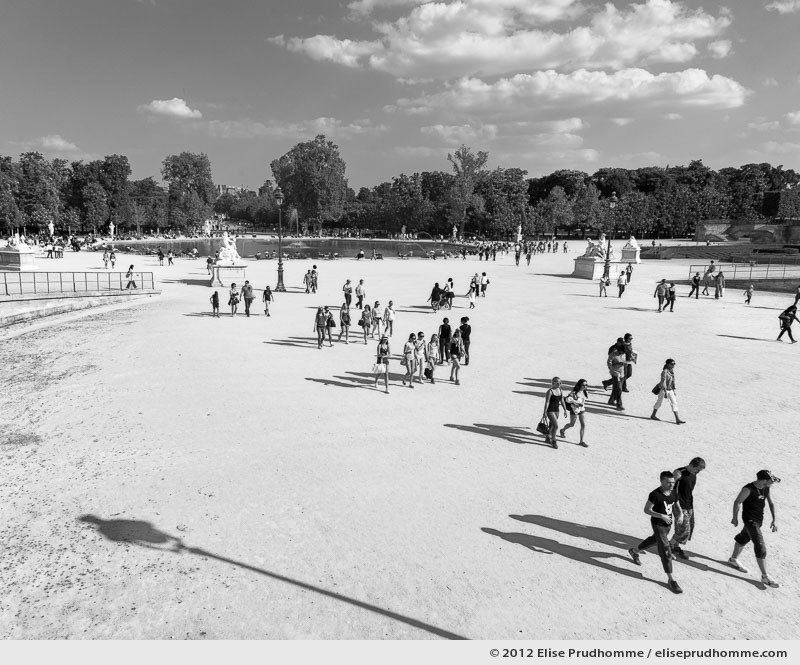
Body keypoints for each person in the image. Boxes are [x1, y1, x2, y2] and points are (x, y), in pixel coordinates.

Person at [628, 471, 684, 595]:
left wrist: (680, 515)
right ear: (661, 481)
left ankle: (634, 551)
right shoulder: (655, 494)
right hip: (658, 524)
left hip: (668, 525)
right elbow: (646, 510)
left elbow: (677, 505)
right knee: (665, 550)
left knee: (654, 540)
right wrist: (661, 516)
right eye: (668, 483)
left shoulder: (673, 492)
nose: (671, 485)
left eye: (673, 482)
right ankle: (671, 580)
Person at [728, 470, 780, 588]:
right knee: (760, 545)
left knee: (743, 538)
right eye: (771, 481)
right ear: (763, 480)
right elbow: (737, 502)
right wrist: (734, 518)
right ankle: (765, 576)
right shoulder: (748, 489)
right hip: (750, 521)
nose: (772, 483)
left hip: (759, 520)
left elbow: (771, 503)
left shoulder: (766, 488)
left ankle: (733, 559)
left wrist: (774, 519)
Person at [669, 457, 706, 560]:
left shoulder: (693, 474)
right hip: (678, 504)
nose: (698, 472)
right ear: (692, 465)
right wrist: (676, 505)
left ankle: (675, 547)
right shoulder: (678, 473)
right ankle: (669, 546)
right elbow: (670, 489)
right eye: (697, 470)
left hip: (689, 504)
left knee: (688, 527)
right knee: (684, 528)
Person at [651, 358, 685, 424]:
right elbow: (663, 382)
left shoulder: (671, 371)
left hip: (670, 389)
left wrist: (673, 390)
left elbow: (672, 382)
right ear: (667, 364)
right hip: (663, 389)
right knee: (659, 402)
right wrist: (665, 392)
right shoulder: (664, 372)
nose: (673, 365)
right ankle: (653, 415)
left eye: (674, 364)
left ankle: (677, 419)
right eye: (672, 364)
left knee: (674, 403)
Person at [559, 379, 588, 447]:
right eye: (583, 385)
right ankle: (562, 430)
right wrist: (575, 402)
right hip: (574, 410)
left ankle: (581, 441)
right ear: (579, 385)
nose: (585, 386)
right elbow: (567, 399)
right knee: (572, 424)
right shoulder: (574, 392)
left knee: (583, 425)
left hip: (582, 410)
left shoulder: (585, 392)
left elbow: (583, 401)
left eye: (586, 385)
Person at [602, 339, 628, 411]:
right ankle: (619, 404)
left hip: (622, 373)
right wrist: (617, 364)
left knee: (616, 388)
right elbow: (609, 364)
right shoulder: (613, 354)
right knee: (619, 389)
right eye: (622, 352)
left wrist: (625, 363)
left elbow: (624, 361)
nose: (623, 353)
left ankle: (611, 400)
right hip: (615, 373)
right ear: (619, 350)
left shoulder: (623, 354)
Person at [542, 377, 567, 448]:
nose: (560, 384)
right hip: (550, 410)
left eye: (560, 383)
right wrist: (544, 412)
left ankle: (548, 437)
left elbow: (562, 400)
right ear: (553, 383)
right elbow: (547, 402)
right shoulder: (550, 391)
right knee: (556, 425)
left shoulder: (560, 390)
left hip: (557, 410)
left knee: (552, 425)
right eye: (558, 383)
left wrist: (565, 409)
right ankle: (553, 440)